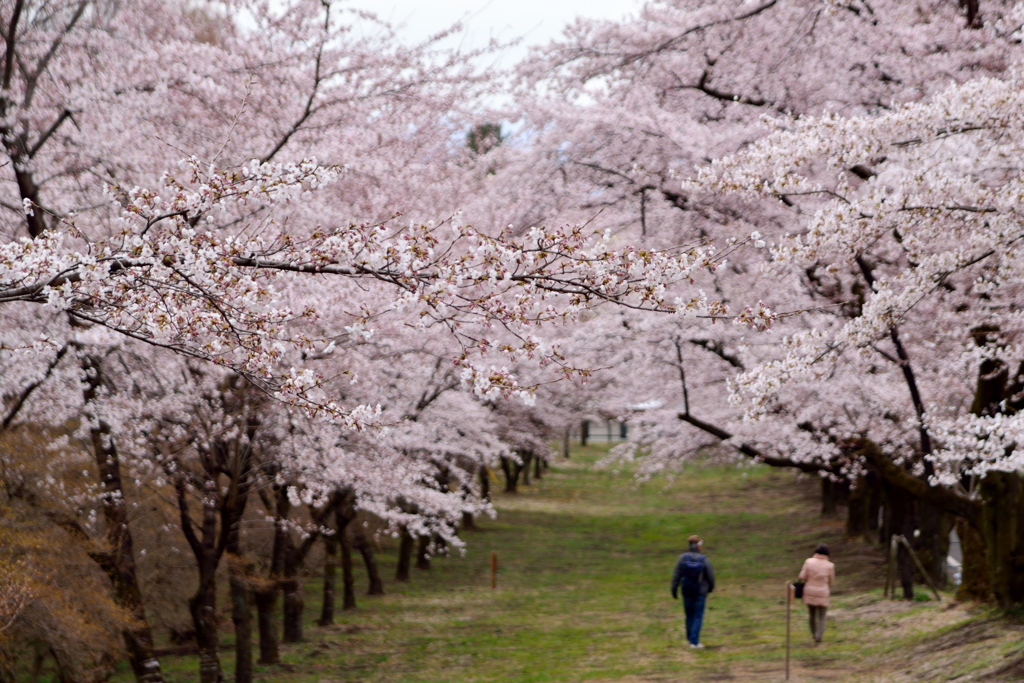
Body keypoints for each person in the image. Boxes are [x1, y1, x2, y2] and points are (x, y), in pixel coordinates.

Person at [670, 534, 715, 649]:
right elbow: (710, 576)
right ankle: (695, 641)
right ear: (699, 546)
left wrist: (674, 589)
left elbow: (676, 574)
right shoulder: (704, 559)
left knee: (689, 615)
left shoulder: (683, 558)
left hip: (686, 590)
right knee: (698, 616)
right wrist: (710, 588)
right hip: (700, 592)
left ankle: (691, 640)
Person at [798, 543, 835, 644]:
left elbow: (802, 577)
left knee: (812, 614)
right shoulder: (830, 565)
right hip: (823, 592)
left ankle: (814, 634)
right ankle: (819, 636)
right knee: (822, 616)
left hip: (809, 592)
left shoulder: (808, 562)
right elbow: (831, 581)